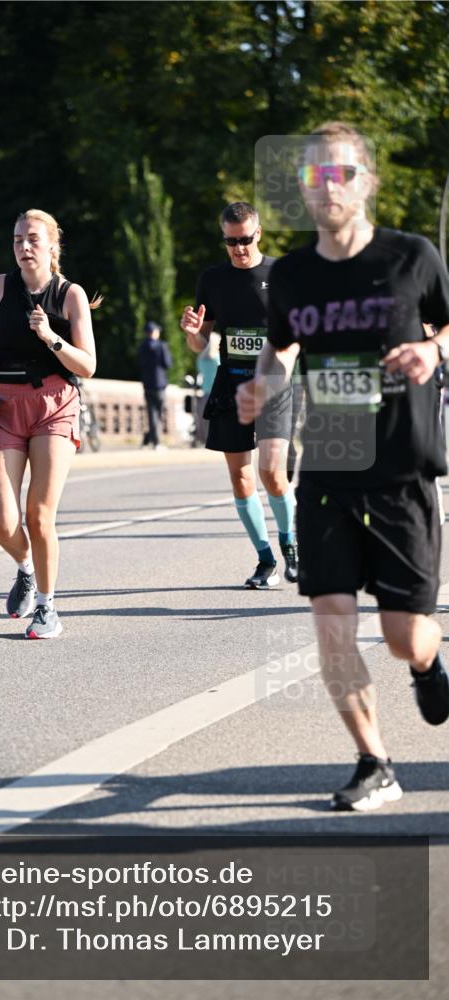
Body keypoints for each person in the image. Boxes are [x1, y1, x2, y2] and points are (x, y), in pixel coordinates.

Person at [236, 121, 449, 811]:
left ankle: (426, 659)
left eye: (341, 174)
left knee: (400, 636)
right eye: (313, 177)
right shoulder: (292, 276)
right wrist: (264, 395)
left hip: (399, 472)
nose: (327, 188)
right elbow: (277, 352)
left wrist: (433, 352)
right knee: (329, 621)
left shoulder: (411, 258)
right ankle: (373, 761)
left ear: (367, 182)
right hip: (326, 472)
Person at [0, 208, 97, 639]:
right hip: (1, 402)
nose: (23, 247)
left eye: (32, 239)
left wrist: (52, 338)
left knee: (39, 514)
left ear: (52, 246)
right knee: (2, 521)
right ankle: (25, 569)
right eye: (17, 240)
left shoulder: (70, 295)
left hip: (53, 402)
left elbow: (88, 364)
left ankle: (48, 607)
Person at [181, 202, 298, 588]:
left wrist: (282, 368)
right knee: (241, 477)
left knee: (272, 473)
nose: (239, 248)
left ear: (258, 234)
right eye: (231, 241)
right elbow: (201, 344)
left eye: (245, 239)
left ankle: (291, 547)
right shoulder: (212, 279)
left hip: (274, 384)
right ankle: (265, 561)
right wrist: (191, 332)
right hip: (232, 383)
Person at [138, 320, 172, 449]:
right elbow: (167, 363)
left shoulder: (142, 347)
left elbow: (140, 363)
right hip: (159, 384)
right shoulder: (161, 346)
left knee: (152, 413)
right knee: (159, 414)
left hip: (147, 383)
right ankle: (156, 442)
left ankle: (149, 439)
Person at [195, 331, 221, 445]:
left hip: (205, 393)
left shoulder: (201, 359)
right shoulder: (218, 359)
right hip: (217, 393)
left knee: (205, 422)